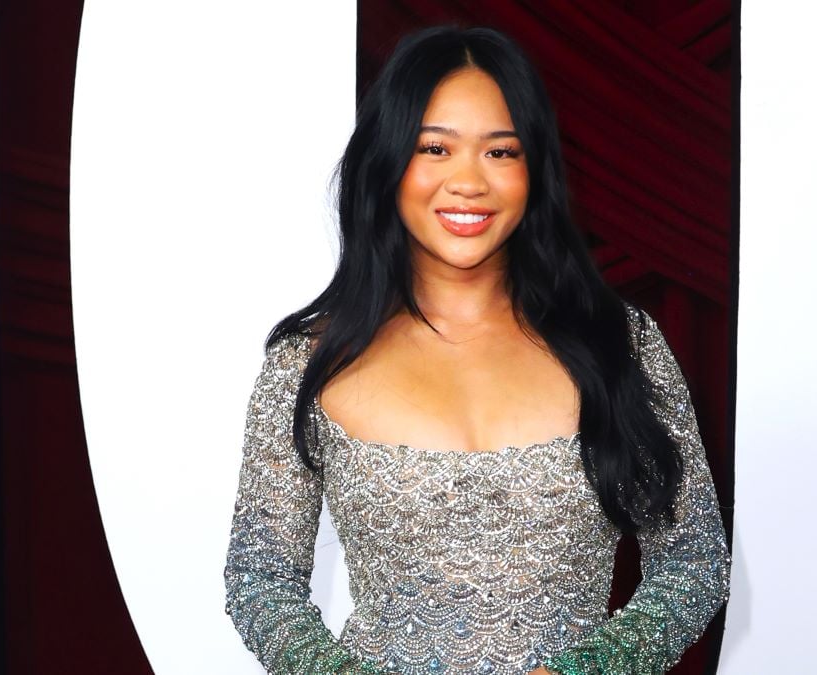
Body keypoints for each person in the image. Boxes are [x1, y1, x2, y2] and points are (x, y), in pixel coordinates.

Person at [224, 25, 730, 675]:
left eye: (500, 152)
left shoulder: (619, 341)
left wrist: (586, 671)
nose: (468, 181)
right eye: (435, 147)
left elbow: (693, 559)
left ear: (533, 169)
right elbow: (260, 577)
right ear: (389, 161)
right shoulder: (307, 359)